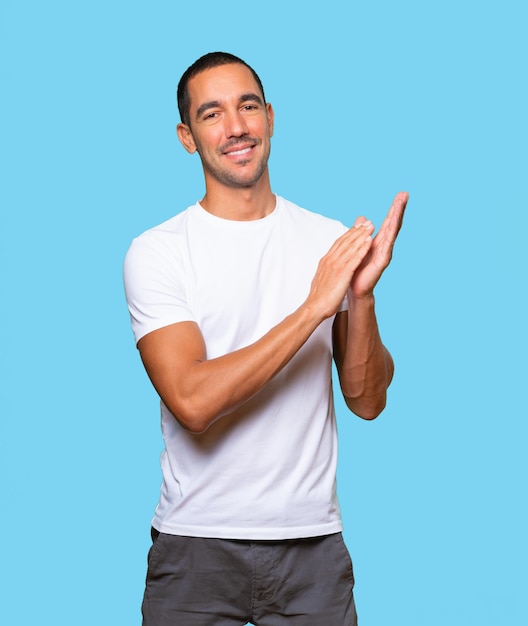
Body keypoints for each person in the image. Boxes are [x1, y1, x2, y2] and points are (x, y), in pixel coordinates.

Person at [124, 51, 408, 626]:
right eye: (212, 114)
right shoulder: (158, 251)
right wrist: (315, 308)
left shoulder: (329, 242)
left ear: (270, 117)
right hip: (196, 547)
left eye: (247, 106)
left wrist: (362, 298)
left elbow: (368, 401)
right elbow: (193, 402)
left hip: (313, 549)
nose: (235, 127)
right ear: (187, 137)